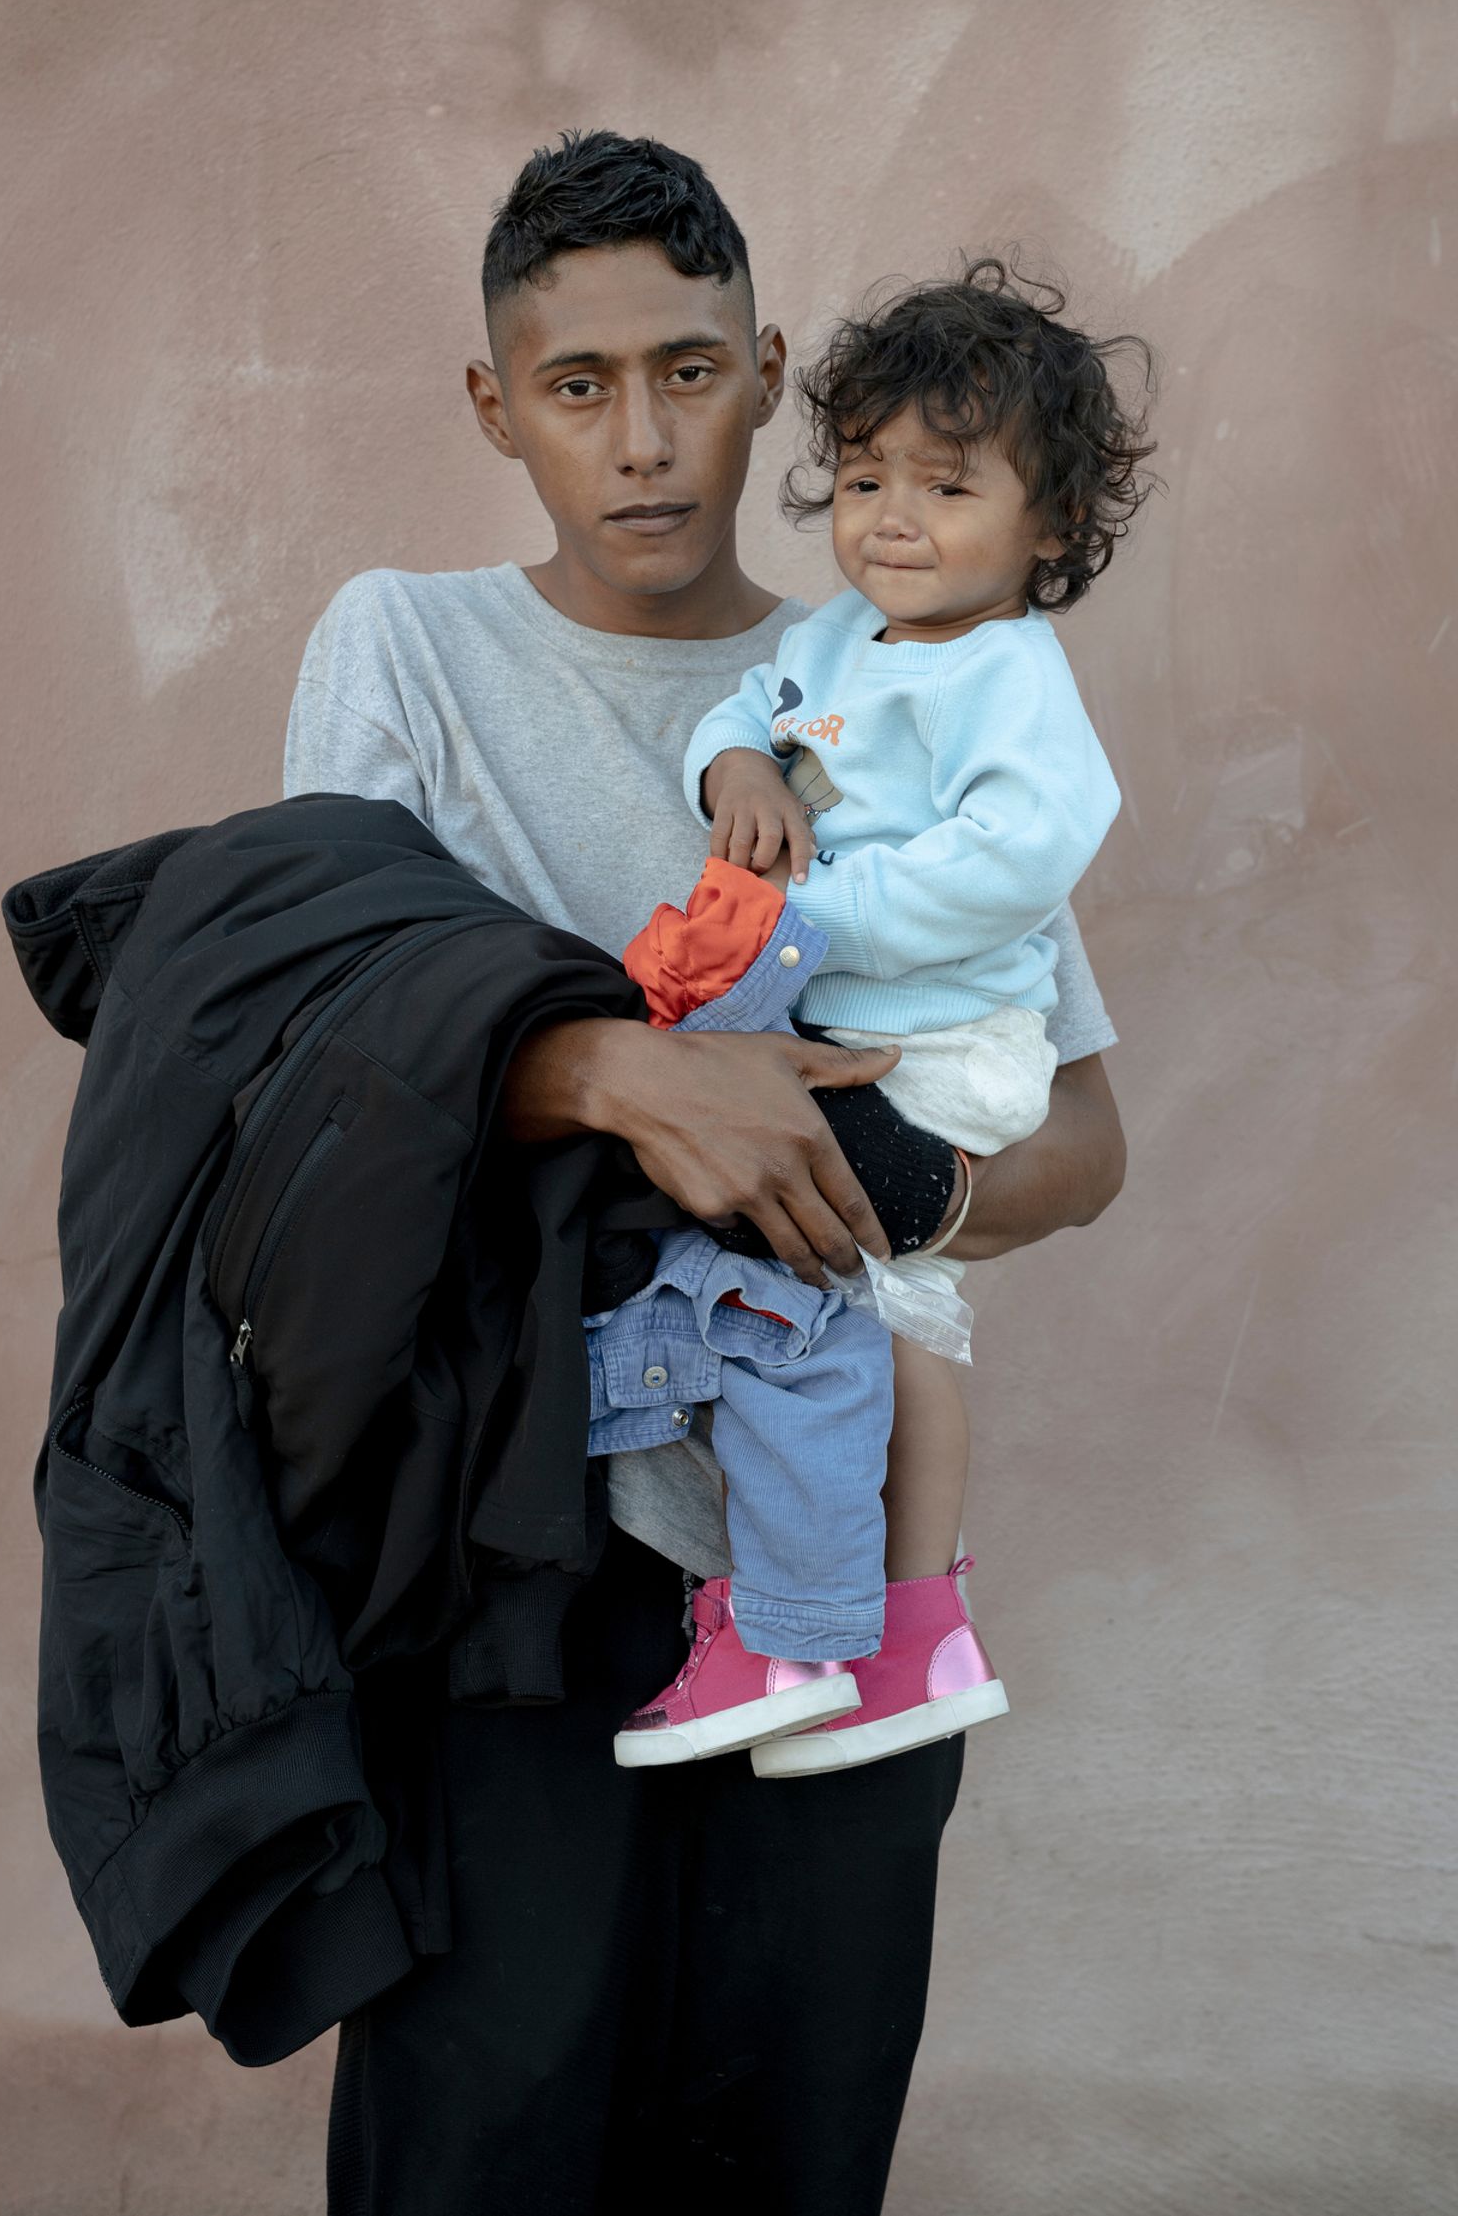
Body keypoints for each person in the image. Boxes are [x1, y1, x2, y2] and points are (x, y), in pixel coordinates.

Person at [285, 131, 1125, 2215]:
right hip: (508, 1552)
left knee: (784, 2155)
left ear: (765, 379)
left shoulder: (913, 663)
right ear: (497, 405)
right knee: (479, 2150)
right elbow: (316, 1046)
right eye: (577, 386)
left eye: (686, 373)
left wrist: (868, 1181)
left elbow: (1083, 1137)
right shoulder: (407, 649)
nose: (642, 440)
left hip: (832, 1588)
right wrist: (638, 1083)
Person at [609, 261, 1153, 1777]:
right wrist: (738, 771)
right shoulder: (842, 638)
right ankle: (888, 1632)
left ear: (1051, 525)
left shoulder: (1009, 678)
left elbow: (1018, 858)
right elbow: (749, 714)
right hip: (838, 1020)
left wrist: (814, 911)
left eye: (947, 486)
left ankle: (826, 1621)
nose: (893, 519)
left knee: (829, 1298)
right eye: (865, 479)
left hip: (947, 1045)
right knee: (838, 1309)